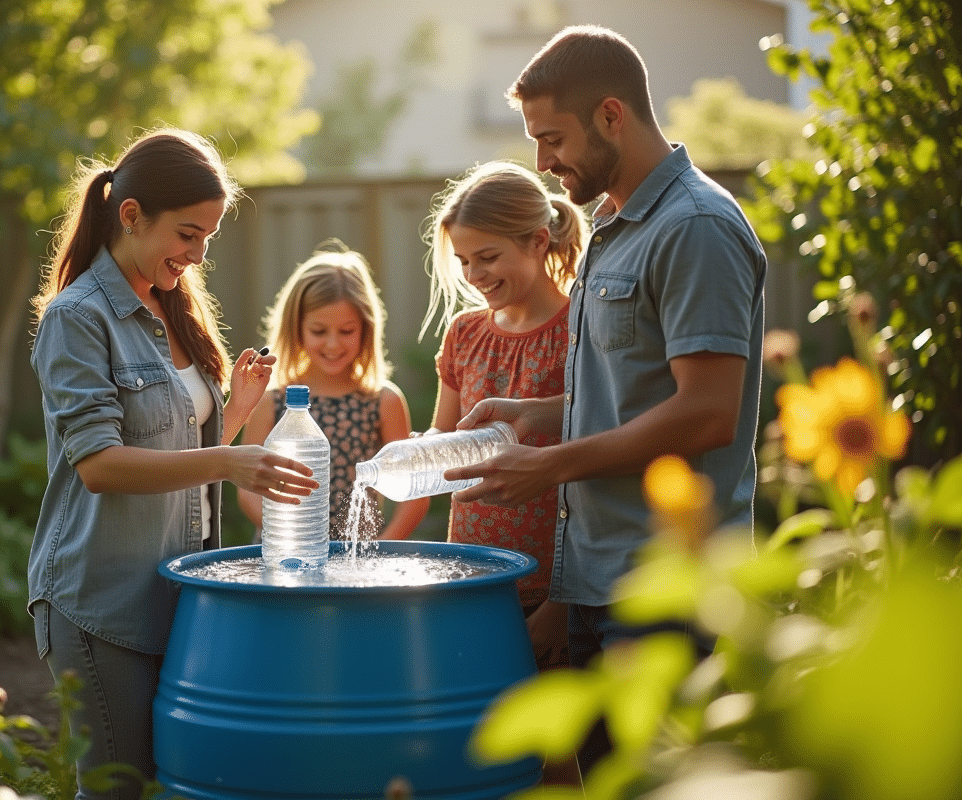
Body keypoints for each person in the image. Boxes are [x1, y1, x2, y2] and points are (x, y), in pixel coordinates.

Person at [446, 26, 767, 775]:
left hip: (666, 588)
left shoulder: (696, 227)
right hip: (594, 581)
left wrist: (549, 465)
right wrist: (538, 416)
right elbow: (630, 395)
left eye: (552, 139)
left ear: (612, 116)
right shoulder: (610, 228)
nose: (542, 162)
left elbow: (706, 412)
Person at [28, 127, 319, 800]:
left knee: (182, 785)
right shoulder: (78, 318)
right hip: (103, 603)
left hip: (180, 595)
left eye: (207, 237)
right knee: (120, 789)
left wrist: (232, 412)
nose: (198, 253)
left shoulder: (173, 307)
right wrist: (228, 459)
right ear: (131, 215)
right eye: (188, 234)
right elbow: (100, 465)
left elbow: (175, 452)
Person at [420, 160, 587, 670]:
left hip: (554, 585)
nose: (474, 276)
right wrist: (418, 449)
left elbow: (596, 470)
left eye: (488, 258)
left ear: (538, 241)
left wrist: (563, 601)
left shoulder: (580, 328)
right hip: (472, 575)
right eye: (464, 261)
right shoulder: (464, 333)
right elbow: (444, 432)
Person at [238, 241, 430, 541]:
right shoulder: (272, 401)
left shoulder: (384, 401)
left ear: (366, 329)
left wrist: (379, 551)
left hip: (358, 560)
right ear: (296, 328)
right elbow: (248, 489)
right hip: (286, 553)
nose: (333, 344)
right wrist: (293, 536)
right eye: (319, 331)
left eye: (346, 331)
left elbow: (414, 494)